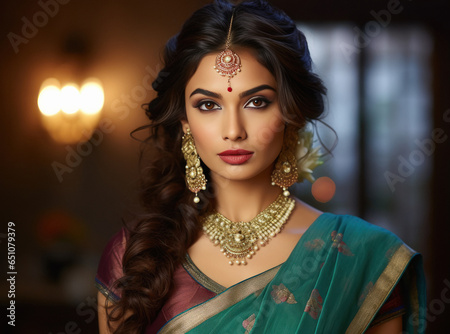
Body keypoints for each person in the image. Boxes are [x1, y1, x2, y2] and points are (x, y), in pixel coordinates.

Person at [95, 0, 426, 333]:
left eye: (257, 102)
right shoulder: (135, 256)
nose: (234, 129)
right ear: (184, 121)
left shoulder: (361, 256)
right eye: (208, 105)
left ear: (290, 112)